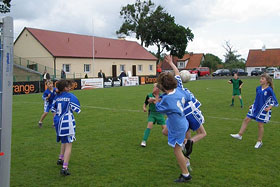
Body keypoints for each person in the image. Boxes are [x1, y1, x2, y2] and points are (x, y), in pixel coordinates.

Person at [164, 55, 207, 171]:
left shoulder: (168, 93)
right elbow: (177, 72)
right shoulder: (179, 84)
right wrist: (171, 63)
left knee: (172, 133)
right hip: (190, 111)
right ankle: (188, 143)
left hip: (181, 115)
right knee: (202, 133)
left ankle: (186, 160)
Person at [154, 71, 192, 183]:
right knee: (165, 132)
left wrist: (156, 98)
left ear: (162, 86)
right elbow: (188, 97)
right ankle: (184, 141)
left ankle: (186, 175)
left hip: (177, 126)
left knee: (177, 150)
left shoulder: (167, 99)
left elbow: (159, 109)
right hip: (179, 120)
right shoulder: (179, 90)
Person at [230, 74, 278, 148]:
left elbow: (274, 100)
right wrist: (252, 105)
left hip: (263, 109)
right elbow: (257, 98)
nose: (260, 80)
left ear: (267, 81)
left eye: (262, 79)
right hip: (255, 107)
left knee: (260, 125)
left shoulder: (269, 90)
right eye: (260, 78)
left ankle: (259, 141)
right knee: (246, 119)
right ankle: (239, 135)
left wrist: (269, 107)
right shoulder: (258, 88)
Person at [52, 80, 81, 176]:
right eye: (68, 86)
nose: (70, 87)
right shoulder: (70, 96)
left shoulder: (56, 97)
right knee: (69, 144)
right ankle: (65, 168)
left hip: (58, 122)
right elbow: (76, 109)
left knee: (63, 141)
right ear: (65, 88)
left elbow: (53, 111)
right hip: (67, 122)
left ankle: (61, 158)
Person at [140, 83, 166, 147]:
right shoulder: (149, 95)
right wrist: (144, 108)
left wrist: (154, 100)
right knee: (149, 125)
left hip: (159, 114)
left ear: (159, 89)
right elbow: (145, 103)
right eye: (154, 87)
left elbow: (158, 103)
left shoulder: (161, 96)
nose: (154, 89)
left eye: (156, 88)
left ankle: (174, 139)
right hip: (152, 113)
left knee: (165, 129)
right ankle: (144, 141)